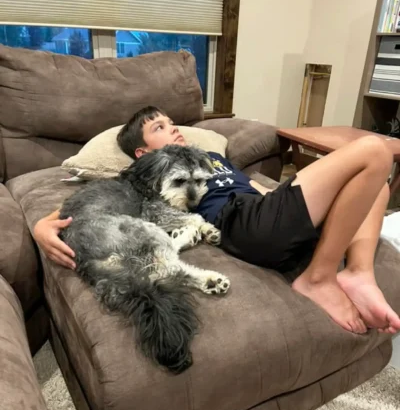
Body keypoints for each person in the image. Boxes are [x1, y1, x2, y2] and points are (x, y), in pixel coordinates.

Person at [33, 106, 400, 336]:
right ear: (144, 153)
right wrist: (42, 226)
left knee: (377, 187)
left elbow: (252, 184)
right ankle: (318, 278)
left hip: (265, 208)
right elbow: (98, 200)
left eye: (171, 122)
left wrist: (285, 195)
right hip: (242, 223)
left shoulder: (210, 154)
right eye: (159, 127)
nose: (173, 128)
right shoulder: (146, 171)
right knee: (373, 150)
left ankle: (359, 272)